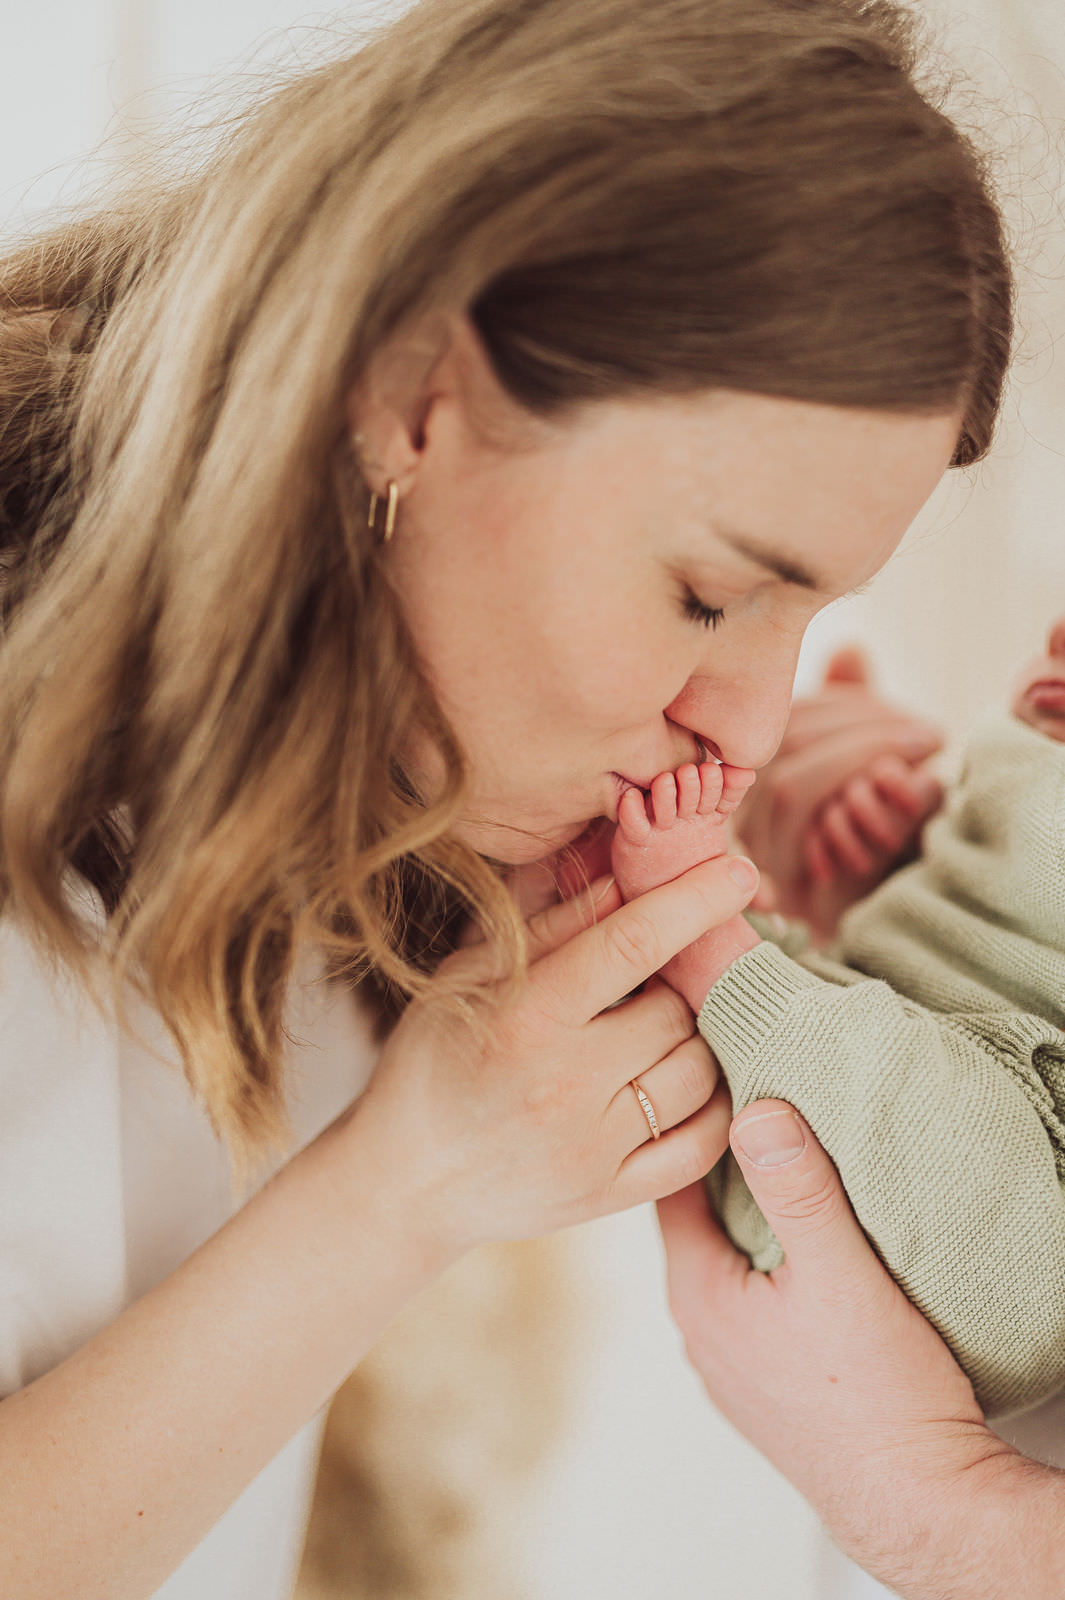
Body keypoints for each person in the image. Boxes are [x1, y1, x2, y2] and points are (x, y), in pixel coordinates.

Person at [0, 0, 1026, 1596]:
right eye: (704, 597)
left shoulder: (372, 792)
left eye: (802, 620)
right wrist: (401, 1193)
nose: (748, 727)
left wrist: (835, 980)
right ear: (414, 392)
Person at [606, 614, 1065, 1421]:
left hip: (984, 1251)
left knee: (1021, 1287)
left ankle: (709, 944)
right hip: (835, 1104)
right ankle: (718, 943)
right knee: (846, 1008)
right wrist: (908, 841)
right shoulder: (995, 768)